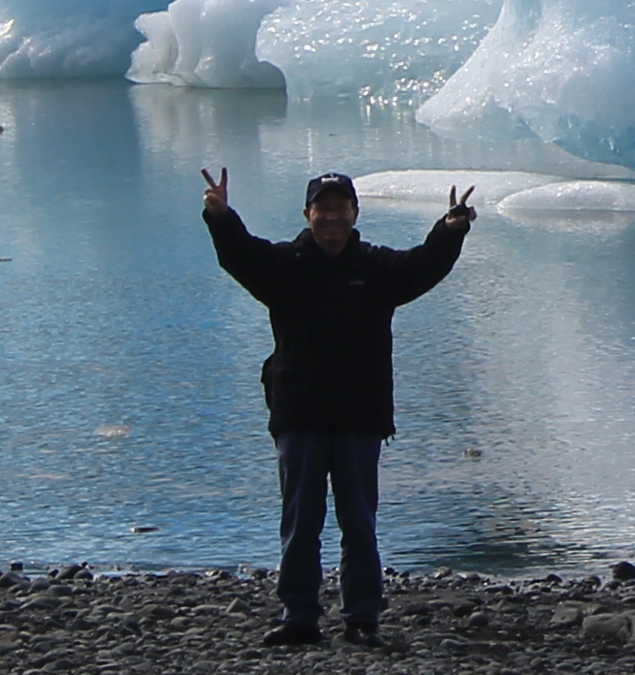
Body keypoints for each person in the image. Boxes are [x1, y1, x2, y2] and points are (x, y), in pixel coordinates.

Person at [201, 165, 475, 646]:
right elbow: (241, 256)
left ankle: (362, 618)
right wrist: (221, 216)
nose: (331, 217)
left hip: (358, 417)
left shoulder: (375, 267)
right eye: (322, 209)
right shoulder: (284, 267)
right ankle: (299, 616)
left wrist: (450, 229)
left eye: (340, 208)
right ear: (308, 214)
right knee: (301, 522)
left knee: (359, 523)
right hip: (300, 414)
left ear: (354, 212)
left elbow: (422, 266)